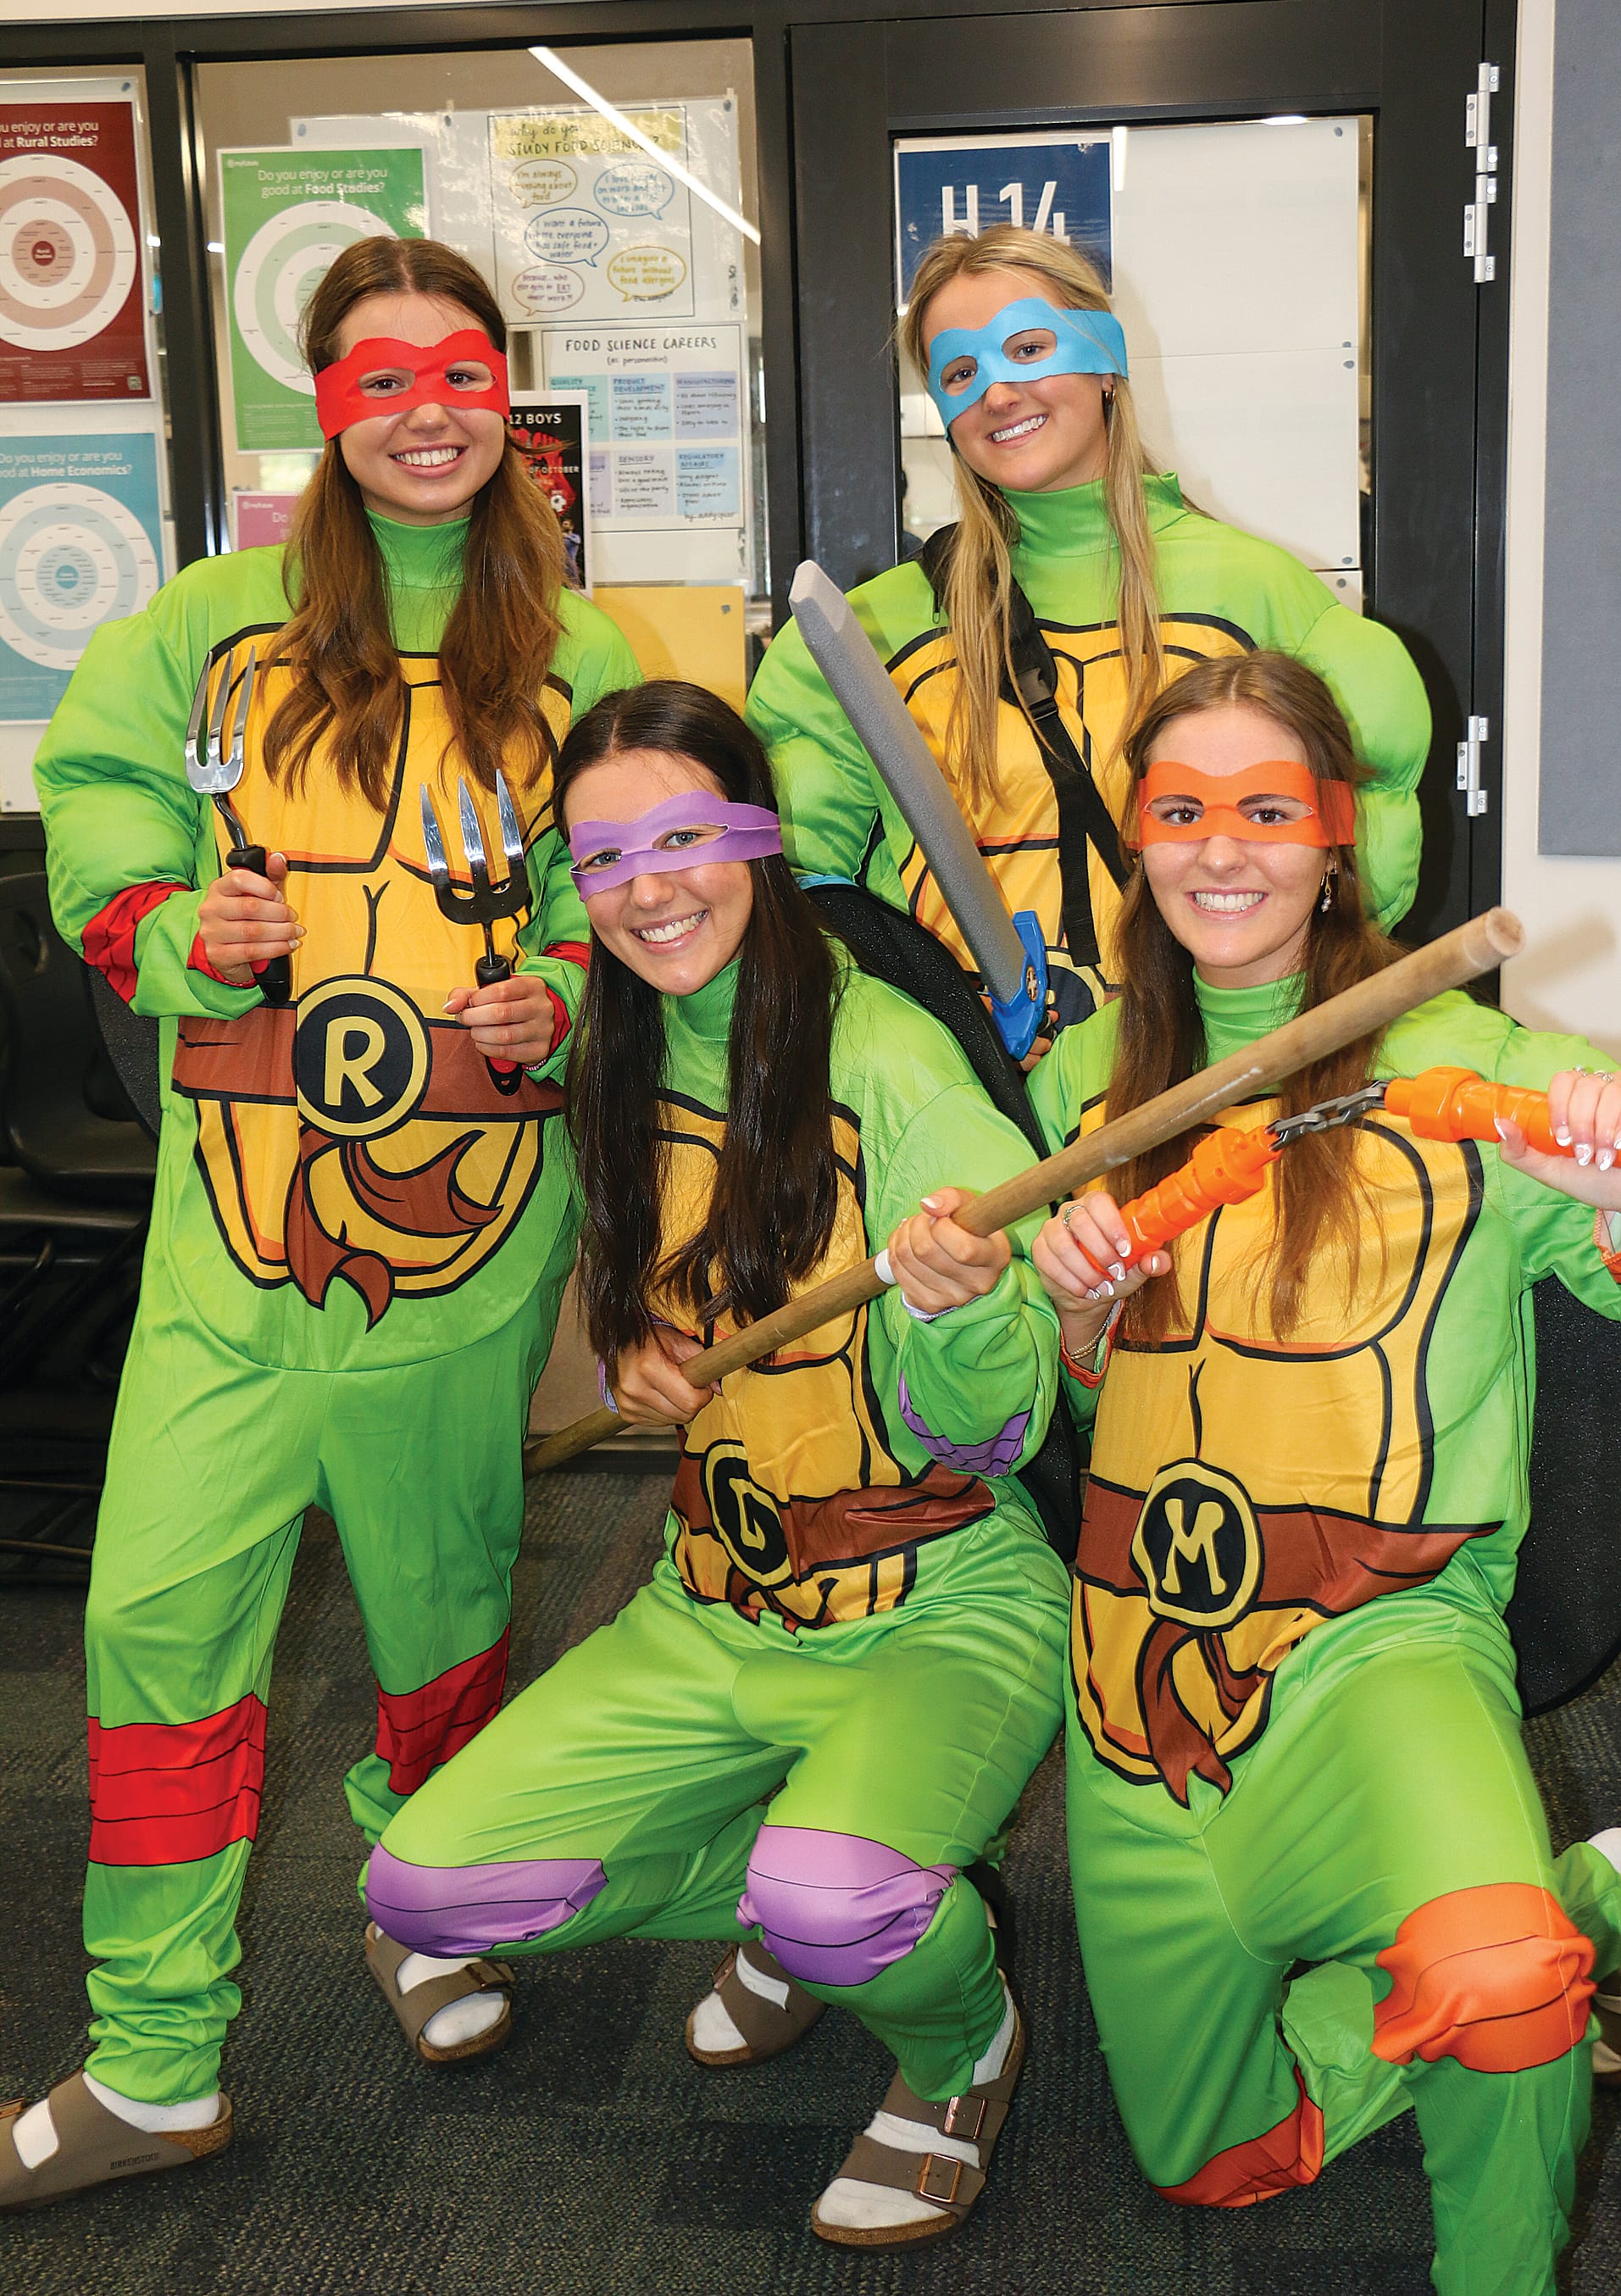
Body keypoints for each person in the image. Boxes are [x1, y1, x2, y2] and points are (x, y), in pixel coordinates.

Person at [3, 237, 641, 2209]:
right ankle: (156, 2056)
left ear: (505, 395)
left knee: (444, 1611)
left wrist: (573, 981)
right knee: (156, 1621)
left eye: (459, 372)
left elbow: (652, 882)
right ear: (327, 409)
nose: (427, 410)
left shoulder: (587, 657)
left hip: (469, 1241)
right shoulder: (207, 624)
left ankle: (424, 1894)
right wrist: (167, 923)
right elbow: (99, 801)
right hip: (234, 1231)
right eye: (381, 379)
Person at [364, 681, 1070, 2248]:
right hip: (710, 1604)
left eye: (687, 835)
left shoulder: (884, 1056)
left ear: (756, 841)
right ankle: (800, 1904)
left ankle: (955, 2045)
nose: (650, 886)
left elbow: (999, 1428)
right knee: (424, 1895)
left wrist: (956, 1315)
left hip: (937, 1596)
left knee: (834, 1906)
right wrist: (626, 1354)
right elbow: (625, 1300)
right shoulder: (615, 1056)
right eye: (607, 856)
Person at [1024, 647, 1621, 2295]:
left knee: (1498, 1984)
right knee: (1216, 2159)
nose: (1221, 850)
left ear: (1336, 836)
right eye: (1180, 810)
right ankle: (1573, 1879)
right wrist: (1066, 1315)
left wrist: (1604, 1180)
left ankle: (1522, 1936)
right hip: (1136, 1687)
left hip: (1375, 1653)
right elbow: (1062, 1408)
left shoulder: (1463, 1076)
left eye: (1265, 809)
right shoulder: (1092, 1084)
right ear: (1134, 839)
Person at [747, 225, 1429, 1038]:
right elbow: (798, 889)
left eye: (1028, 348)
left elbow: (1356, 870)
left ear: (1104, 364)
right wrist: (945, 1021)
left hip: (1192, 1076)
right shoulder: (867, 635)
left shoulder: (1261, 598)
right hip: (970, 1095)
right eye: (961, 371)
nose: (997, 392)